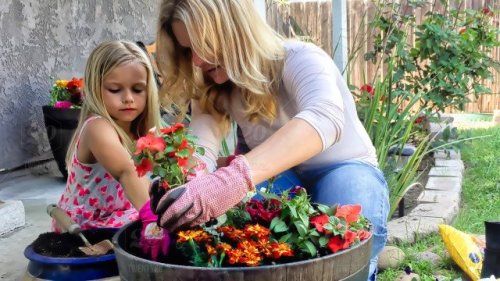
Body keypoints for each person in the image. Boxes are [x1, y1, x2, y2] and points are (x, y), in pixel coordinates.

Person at [150, 0, 389, 279]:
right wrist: (191, 180)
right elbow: (203, 143)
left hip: (345, 167)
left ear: (234, 30)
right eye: (188, 50)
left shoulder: (299, 57)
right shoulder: (215, 87)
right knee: (243, 234)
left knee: (350, 231)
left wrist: (232, 179)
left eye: (202, 44)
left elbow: (324, 117)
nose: (197, 61)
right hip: (278, 177)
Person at [53, 40, 169, 260]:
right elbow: (126, 170)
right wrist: (151, 219)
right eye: (115, 89)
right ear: (95, 88)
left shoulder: (143, 130)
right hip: (86, 226)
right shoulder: (97, 127)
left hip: (121, 213)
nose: (128, 98)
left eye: (138, 89)